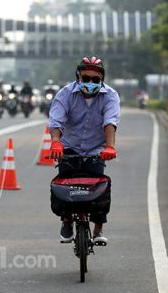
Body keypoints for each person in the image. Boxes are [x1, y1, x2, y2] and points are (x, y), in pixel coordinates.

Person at [48, 56, 120, 245]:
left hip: (96, 148)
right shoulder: (64, 94)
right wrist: (56, 142)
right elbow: (56, 120)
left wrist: (110, 147)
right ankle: (66, 221)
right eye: (86, 78)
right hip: (69, 146)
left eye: (95, 80)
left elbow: (110, 121)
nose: (90, 83)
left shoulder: (111, 95)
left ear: (102, 79)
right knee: (65, 184)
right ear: (78, 76)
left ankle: (98, 230)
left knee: (99, 188)